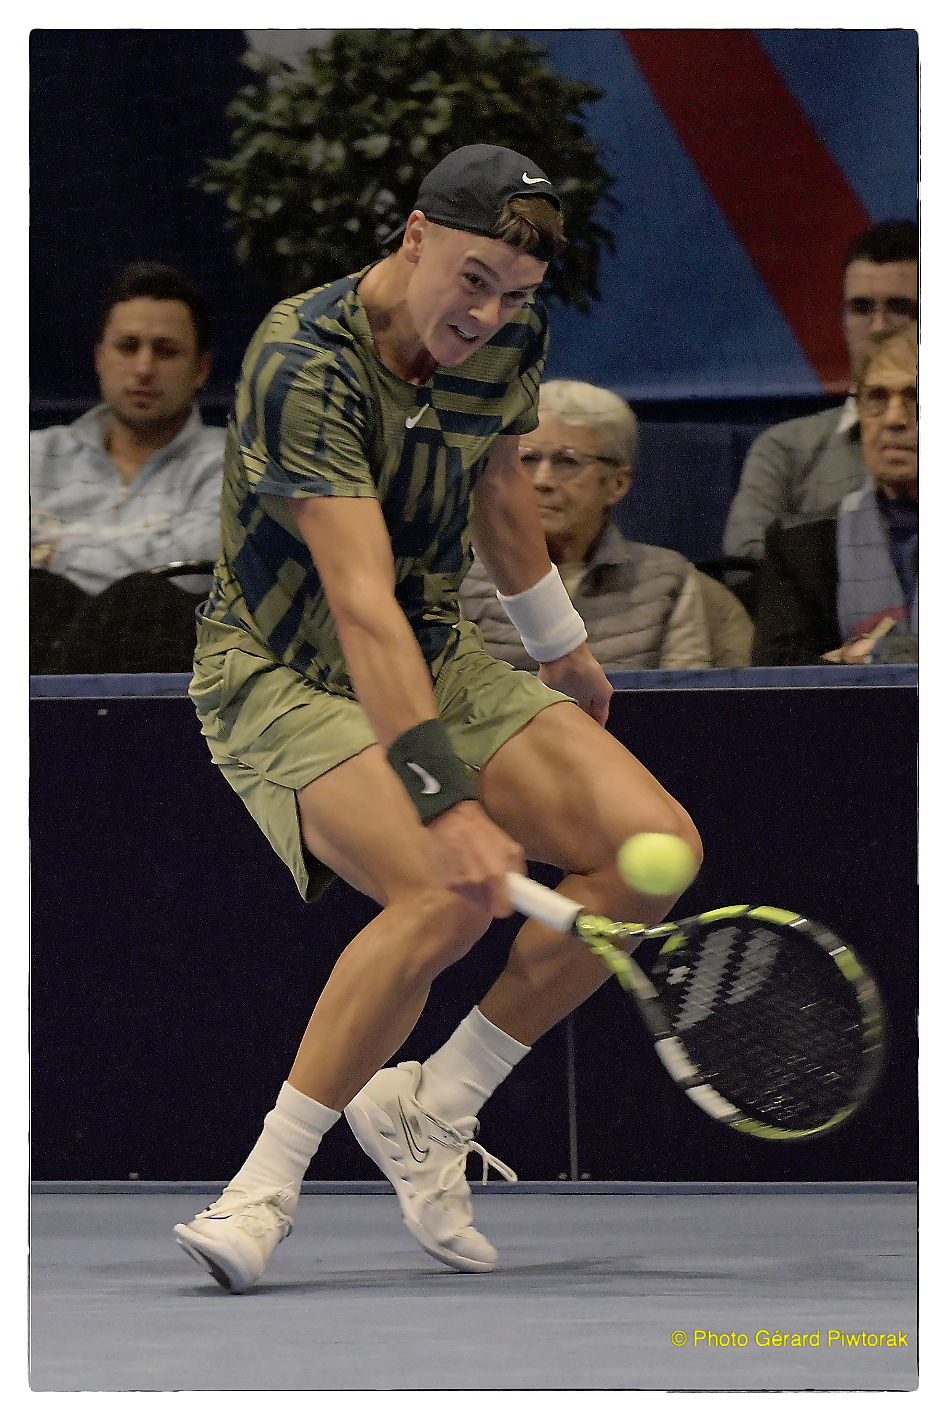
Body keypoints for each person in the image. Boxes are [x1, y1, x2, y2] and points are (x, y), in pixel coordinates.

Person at [173, 145, 702, 1292]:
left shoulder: (505, 333)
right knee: (444, 886)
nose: (488, 314)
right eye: (471, 280)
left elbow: (498, 486)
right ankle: (261, 1187)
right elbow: (358, 602)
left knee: (649, 849)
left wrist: (560, 645)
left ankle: (439, 1102)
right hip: (281, 670)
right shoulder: (302, 359)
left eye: (515, 293)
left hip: (434, 650)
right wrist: (444, 799)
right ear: (413, 235)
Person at [460, 379, 754, 670]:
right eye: (526, 459)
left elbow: (681, 695)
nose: (542, 480)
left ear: (617, 484)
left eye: (567, 462)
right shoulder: (461, 576)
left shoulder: (667, 581)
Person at [30, 263, 224, 672]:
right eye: (128, 347)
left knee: (146, 602)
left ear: (201, 369)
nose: (144, 369)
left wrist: (48, 552)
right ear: (100, 359)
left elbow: (196, 570)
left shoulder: (236, 463)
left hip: (163, 675)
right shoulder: (30, 456)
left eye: (166, 351)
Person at [723, 220, 918, 563]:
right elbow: (744, 566)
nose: (878, 327)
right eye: (861, 308)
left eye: (901, 308)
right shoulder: (786, 451)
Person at [751, 327, 917, 666]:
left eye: (918, 397)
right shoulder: (801, 547)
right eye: (876, 398)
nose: (895, 419)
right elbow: (778, 676)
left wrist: (875, 654)